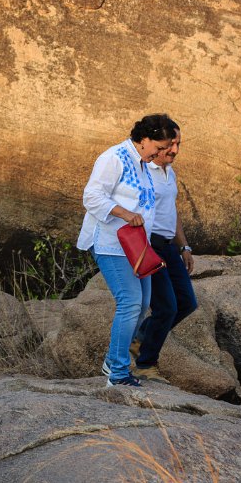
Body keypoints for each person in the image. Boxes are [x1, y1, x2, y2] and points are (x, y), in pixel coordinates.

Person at [76, 114, 175, 387]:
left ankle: (112, 360)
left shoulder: (143, 163)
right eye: (159, 146)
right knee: (130, 302)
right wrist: (125, 213)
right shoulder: (114, 158)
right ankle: (118, 373)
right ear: (144, 140)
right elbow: (92, 196)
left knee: (143, 303)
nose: (162, 152)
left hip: (135, 247)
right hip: (109, 242)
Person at [134, 119, 198, 379]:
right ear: (156, 144)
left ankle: (140, 338)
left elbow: (173, 211)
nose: (175, 150)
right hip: (149, 245)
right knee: (166, 307)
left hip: (169, 246)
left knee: (187, 303)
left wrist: (184, 246)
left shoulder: (169, 172)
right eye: (170, 144)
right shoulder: (143, 170)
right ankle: (146, 364)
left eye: (178, 144)